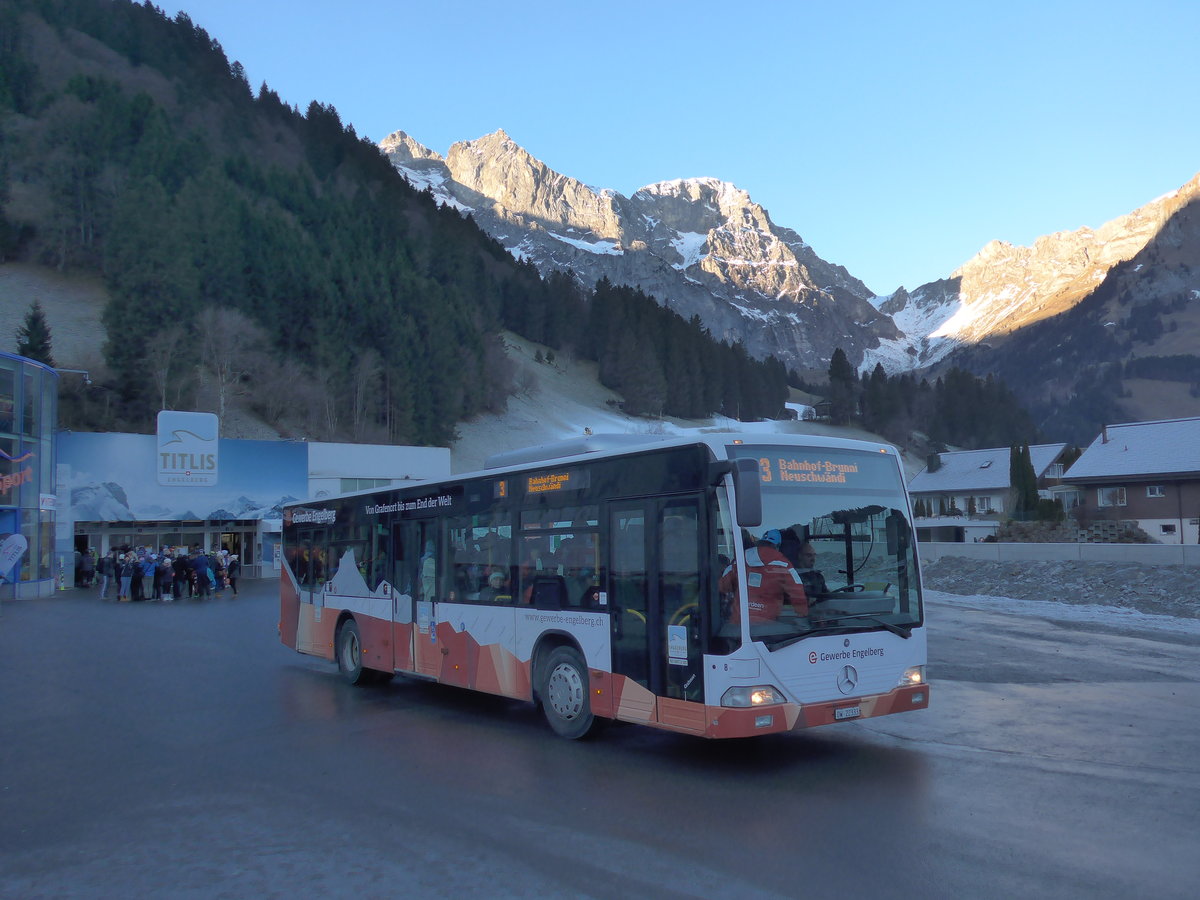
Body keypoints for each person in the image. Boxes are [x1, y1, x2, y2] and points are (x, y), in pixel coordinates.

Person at [718, 528, 808, 622]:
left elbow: (722, 586)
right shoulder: (783, 563)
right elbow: (797, 590)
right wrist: (802, 612)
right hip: (766, 625)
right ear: (777, 545)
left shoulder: (741, 559)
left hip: (739, 623)